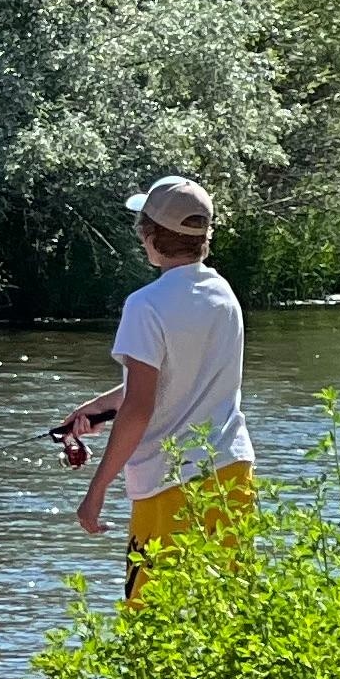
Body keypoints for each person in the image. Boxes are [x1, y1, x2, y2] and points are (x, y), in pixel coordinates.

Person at [52, 173, 254, 597]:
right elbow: (162, 388)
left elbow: (141, 408)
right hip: (230, 474)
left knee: (151, 623)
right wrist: (93, 410)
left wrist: (97, 489)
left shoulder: (146, 305)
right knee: (229, 610)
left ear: (148, 235)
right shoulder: (224, 295)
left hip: (169, 484)